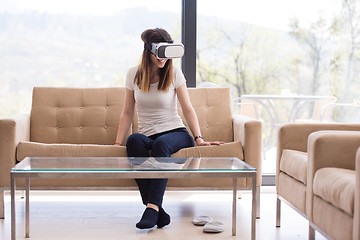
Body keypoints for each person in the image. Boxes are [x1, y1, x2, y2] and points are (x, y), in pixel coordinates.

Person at [114, 28, 224, 230]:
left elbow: (188, 109)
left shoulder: (174, 73)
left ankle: (152, 207)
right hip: (149, 136)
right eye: (160, 53)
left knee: (161, 145)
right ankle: (157, 211)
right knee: (134, 141)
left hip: (176, 134)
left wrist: (199, 138)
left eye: (168, 54)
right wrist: (117, 142)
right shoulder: (134, 74)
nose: (164, 59)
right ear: (149, 51)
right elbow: (127, 112)